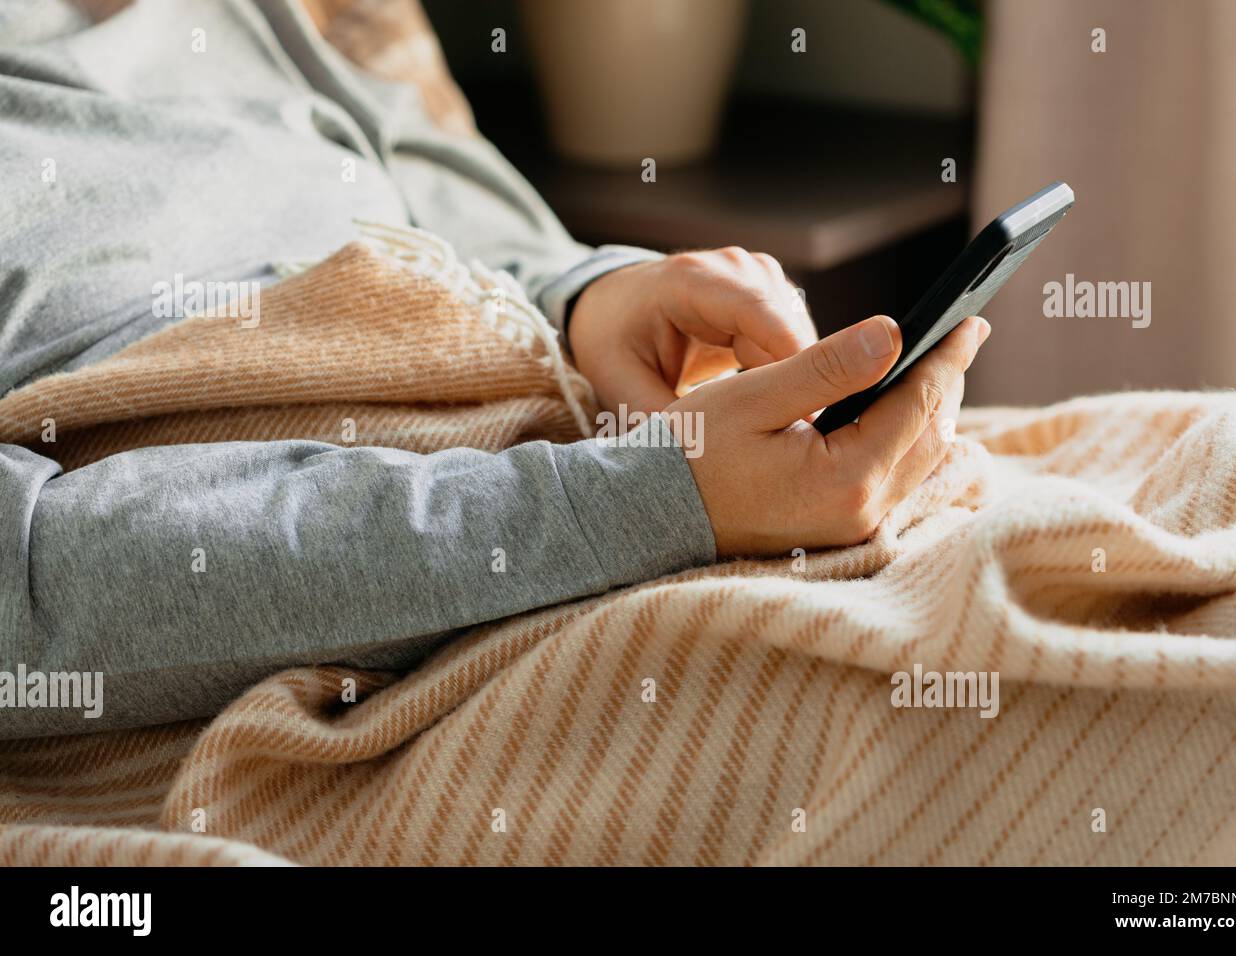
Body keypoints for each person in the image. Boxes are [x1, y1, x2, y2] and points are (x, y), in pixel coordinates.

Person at [0, 0, 986, 737]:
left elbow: (451, 201)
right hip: (437, 558)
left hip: (583, 454)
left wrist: (594, 294)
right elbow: (26, 594)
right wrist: (641, 506)